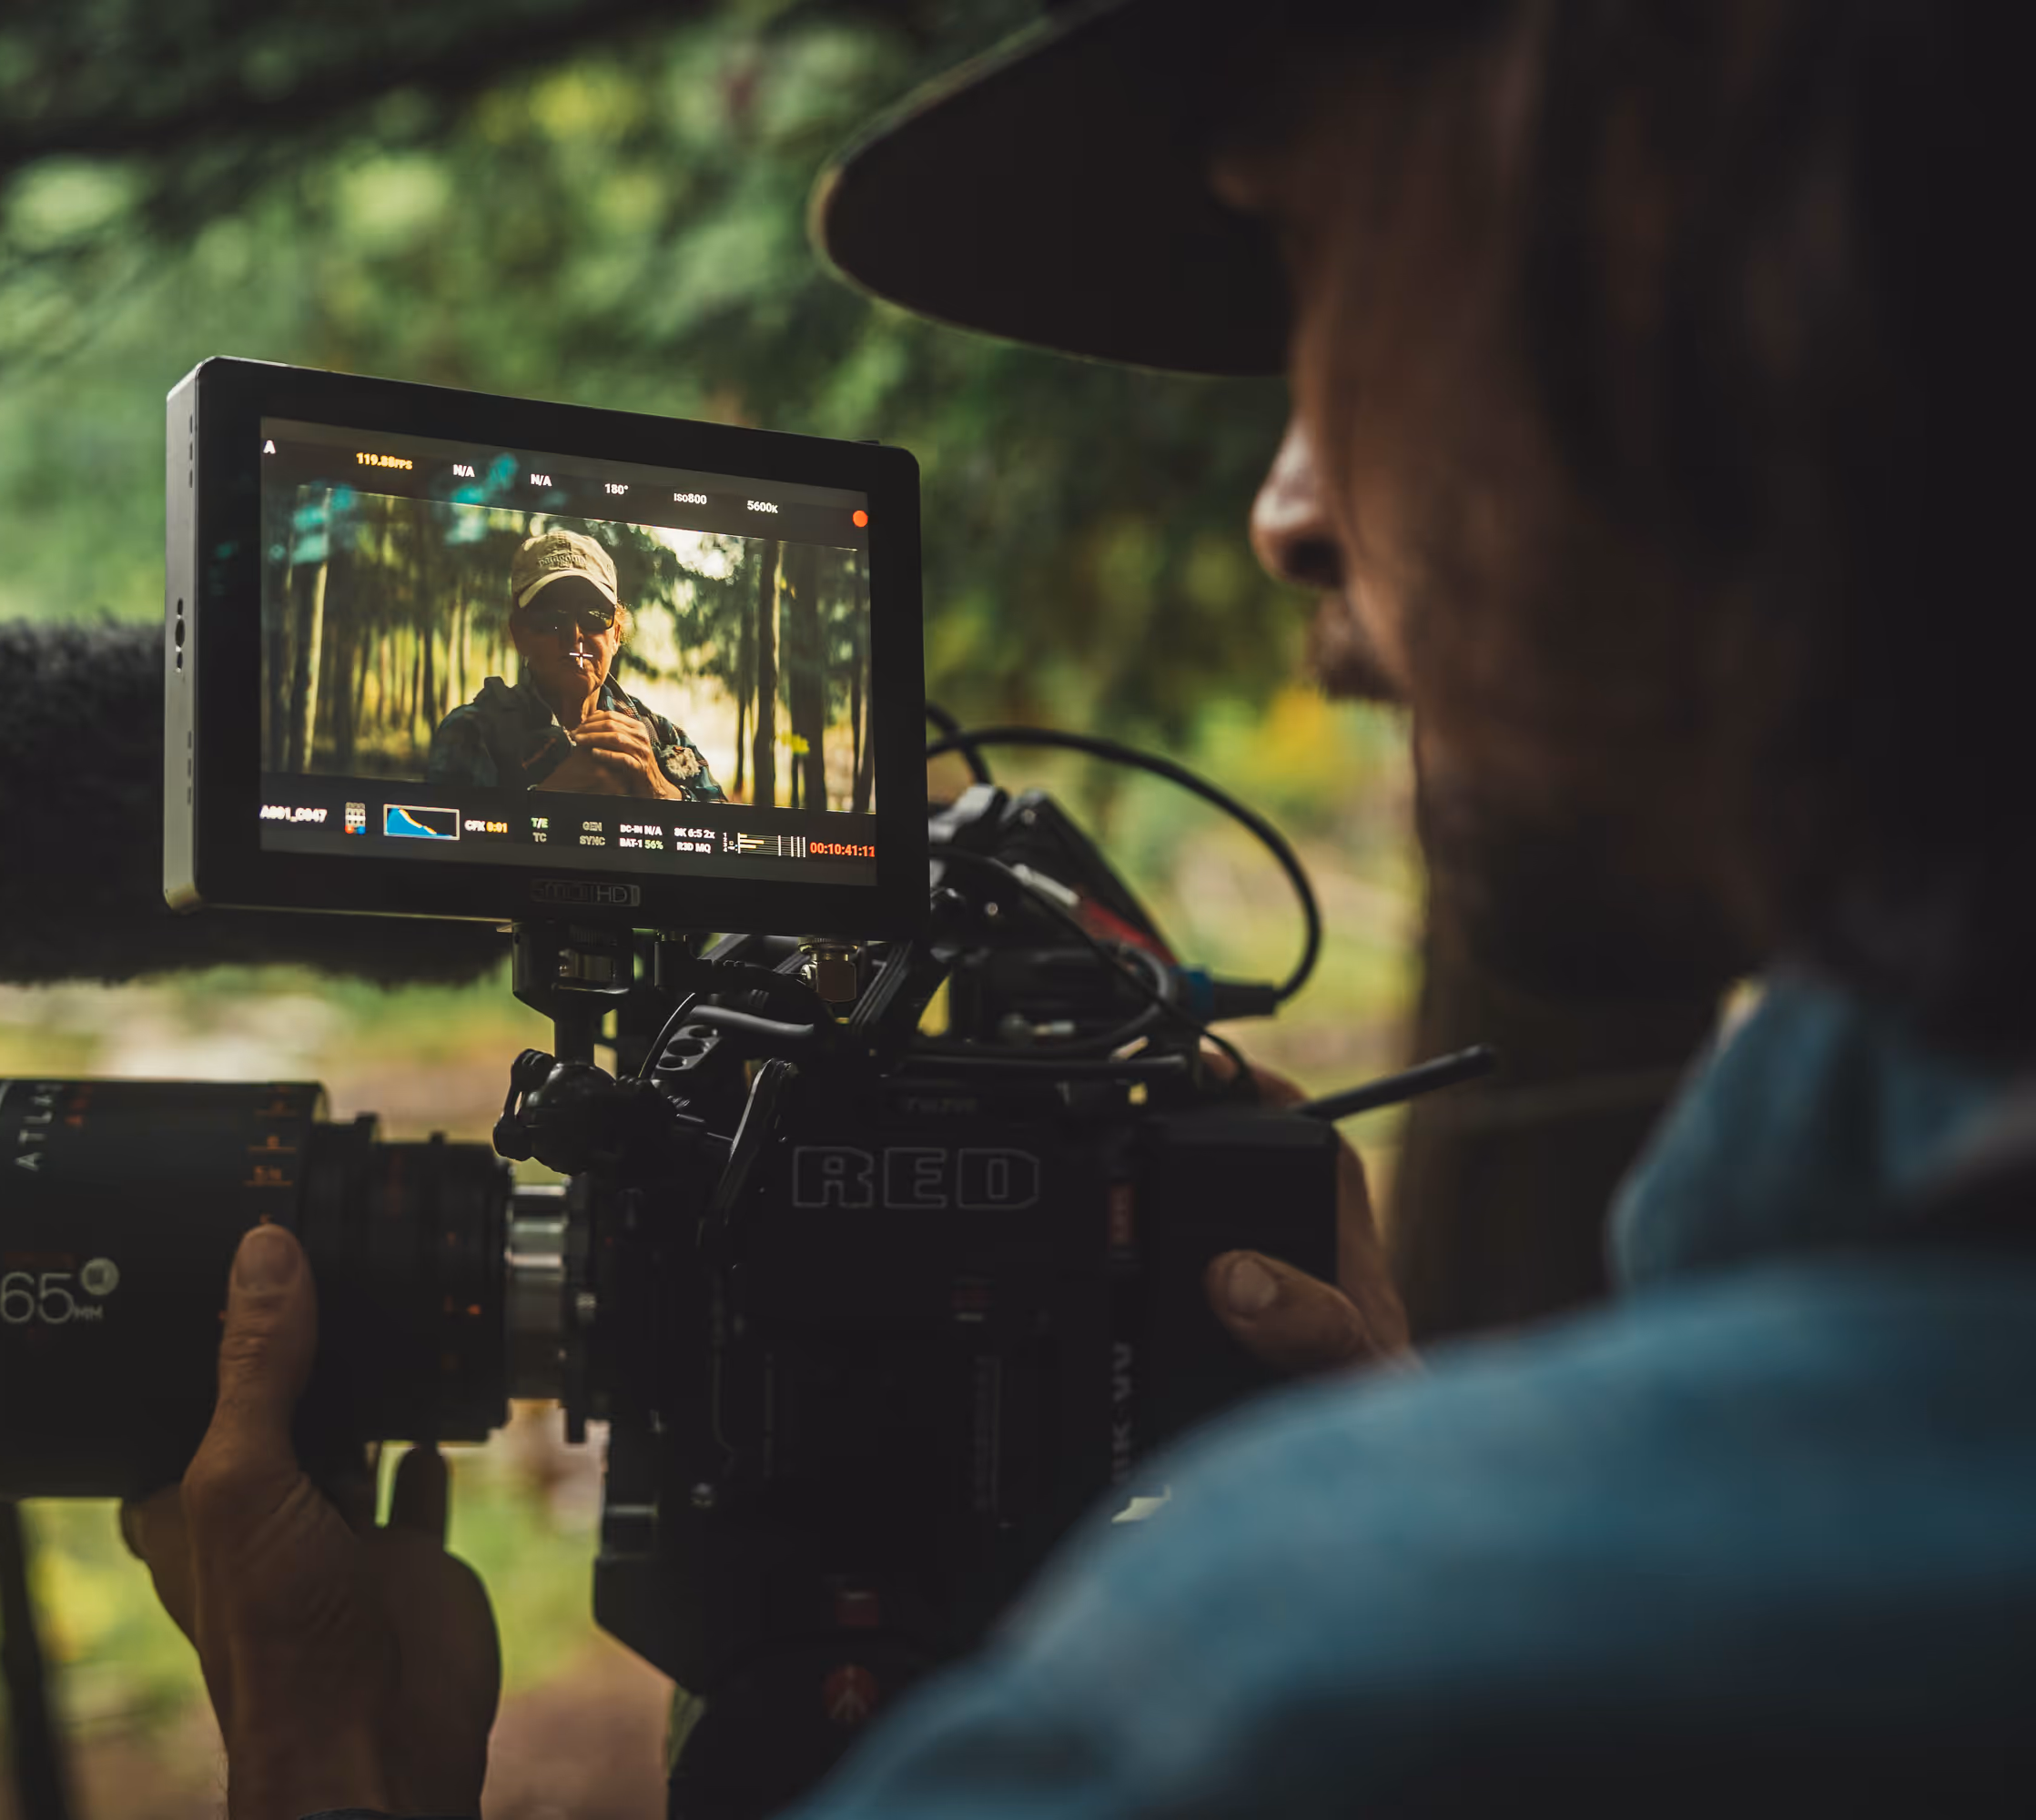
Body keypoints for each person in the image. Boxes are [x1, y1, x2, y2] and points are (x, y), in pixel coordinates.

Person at [127, 3, 2029, 1814]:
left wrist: (332, 1763)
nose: (1284, 506)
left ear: (1671, 228)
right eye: (563, 624)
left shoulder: (1267, 1700)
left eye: (1313, 259)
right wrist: (1471, 1483)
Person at [424, 528, 724, 803]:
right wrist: (552, 796)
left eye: (594, 615)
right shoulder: (474, 732)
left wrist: (658, 788)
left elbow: (732, 845)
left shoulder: (661, 737)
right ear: (519, 633)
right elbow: (441, 840)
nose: (574, 635)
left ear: (616, 634)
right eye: (551, 616)